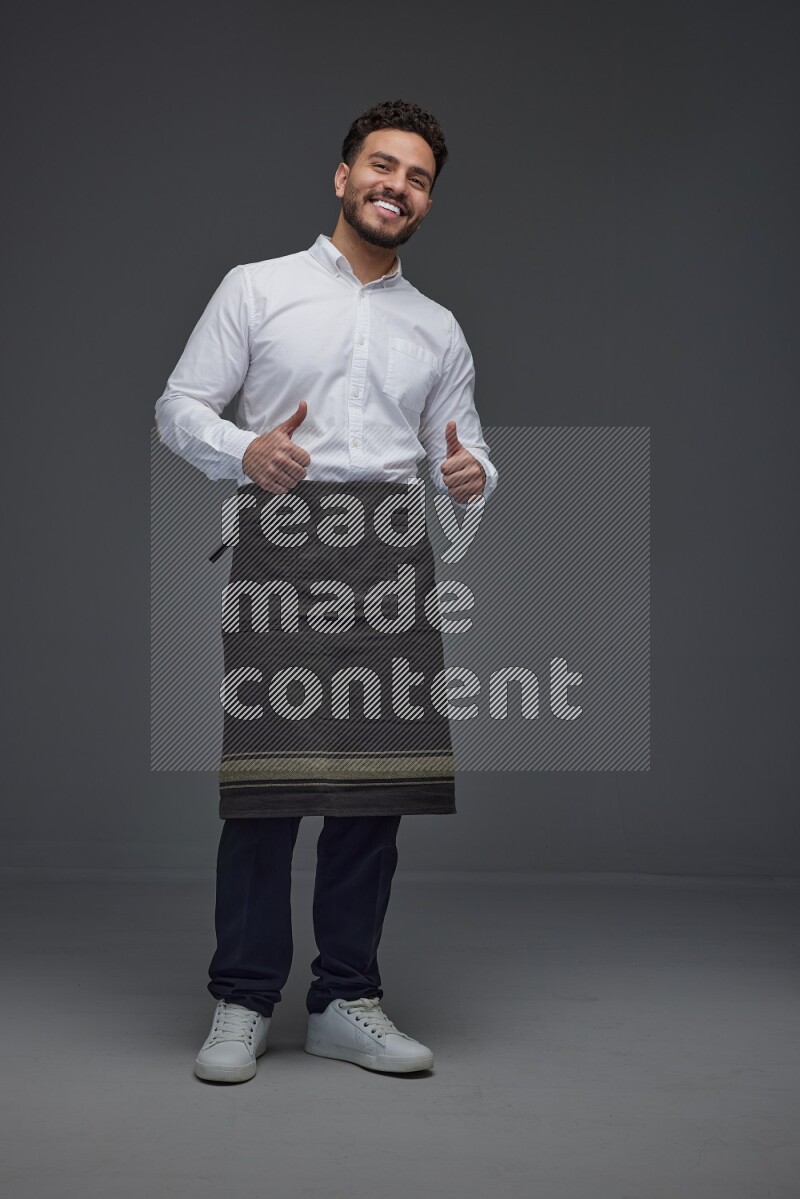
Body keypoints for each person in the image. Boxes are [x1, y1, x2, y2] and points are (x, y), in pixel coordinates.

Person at [154, 99, 498, 1083]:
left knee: (372, 791)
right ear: (342, 176)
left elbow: (459, 450)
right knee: (265, 789)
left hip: (389, 556)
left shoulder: (436, 328)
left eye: (418, 176)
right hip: (282, 543)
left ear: (427, 201)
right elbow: (177, 405)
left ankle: (348, 995)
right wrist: (244, 447)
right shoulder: (256, 290)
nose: (397, 184)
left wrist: (471, 473)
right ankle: (242, 996)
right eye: (381, 165)